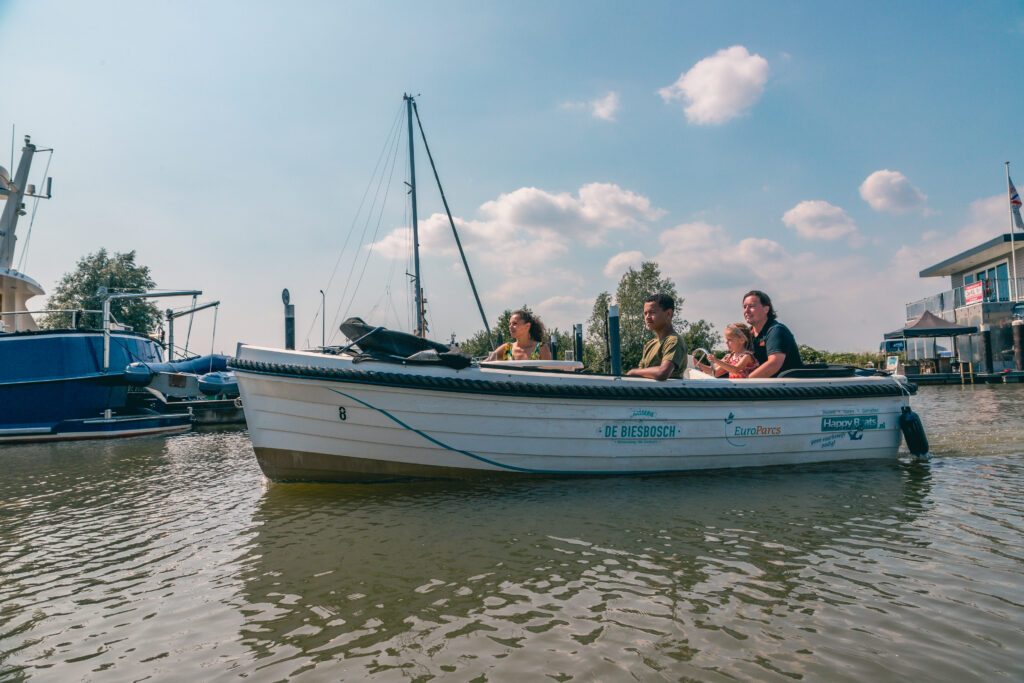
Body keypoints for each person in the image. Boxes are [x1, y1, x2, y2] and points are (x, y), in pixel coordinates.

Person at [741, 290, 802, 378]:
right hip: (759, 387)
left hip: (785, 388)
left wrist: (744, 384)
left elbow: (774, 364)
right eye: (744, 307)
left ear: (766, 309)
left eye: (751, 306)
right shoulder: (747, 334)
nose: (746, 310)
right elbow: (732, 361)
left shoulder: (776, 331)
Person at [626, 293, 687, 380]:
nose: (647, 317)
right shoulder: (650, 344)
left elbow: (663, 372)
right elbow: (641, 373)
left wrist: (633, 372)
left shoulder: (674, 341)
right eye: (645, 313)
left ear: (669, 314)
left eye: (652, 312)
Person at [692, 322, 759, 378]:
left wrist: (716, 360)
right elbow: (713, 371)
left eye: (729, 340)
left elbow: (735, 369)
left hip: (747, 389)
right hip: (735, 389)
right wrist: (697, 364)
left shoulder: (747, 356)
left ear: (741, 340)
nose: (726, 342)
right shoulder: (729, 357)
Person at [486, 309, 553, 361]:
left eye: (515, 323)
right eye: (510, 324)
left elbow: (548, 375)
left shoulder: (541, 348)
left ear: (527, 326)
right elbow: (483, 365)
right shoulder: (506, 348)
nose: (510, 327)